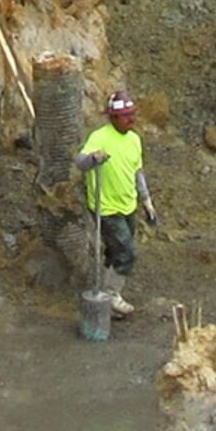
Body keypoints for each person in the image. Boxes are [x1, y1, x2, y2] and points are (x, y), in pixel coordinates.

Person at [76, 92, 153, 320]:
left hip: (128, 205)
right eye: (125, 116)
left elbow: (137, 173)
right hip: (106, 207)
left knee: (115, 252)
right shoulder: (99, 137)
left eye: (133, 115)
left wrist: (147, 202)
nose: (131, 120)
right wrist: (93, 159)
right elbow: (80, 162)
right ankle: (111, 295)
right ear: (113, 117)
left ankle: (106, 294)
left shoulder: (134, 140)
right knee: (127, 253)